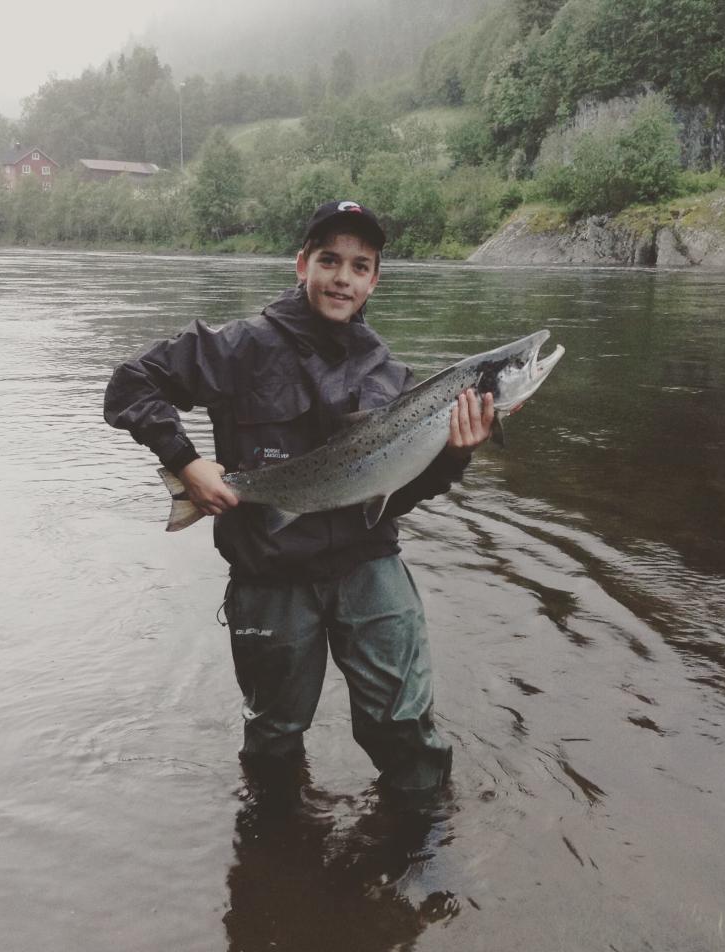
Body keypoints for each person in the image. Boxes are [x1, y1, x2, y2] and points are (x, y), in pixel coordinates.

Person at [104, 200, 494, 805]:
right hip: (270, 570)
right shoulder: (238, 347)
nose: (343, 277)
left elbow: (399, 496)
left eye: (360, 266)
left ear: (374, 280)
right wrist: (186, 461)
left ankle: (423, 849)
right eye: (329, 260)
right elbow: (131, 382)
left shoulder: (391, 375)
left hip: (369, 565)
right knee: (275, 733)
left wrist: (455, 453)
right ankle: (275, 853)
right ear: (301, 264)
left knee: (405, 730)